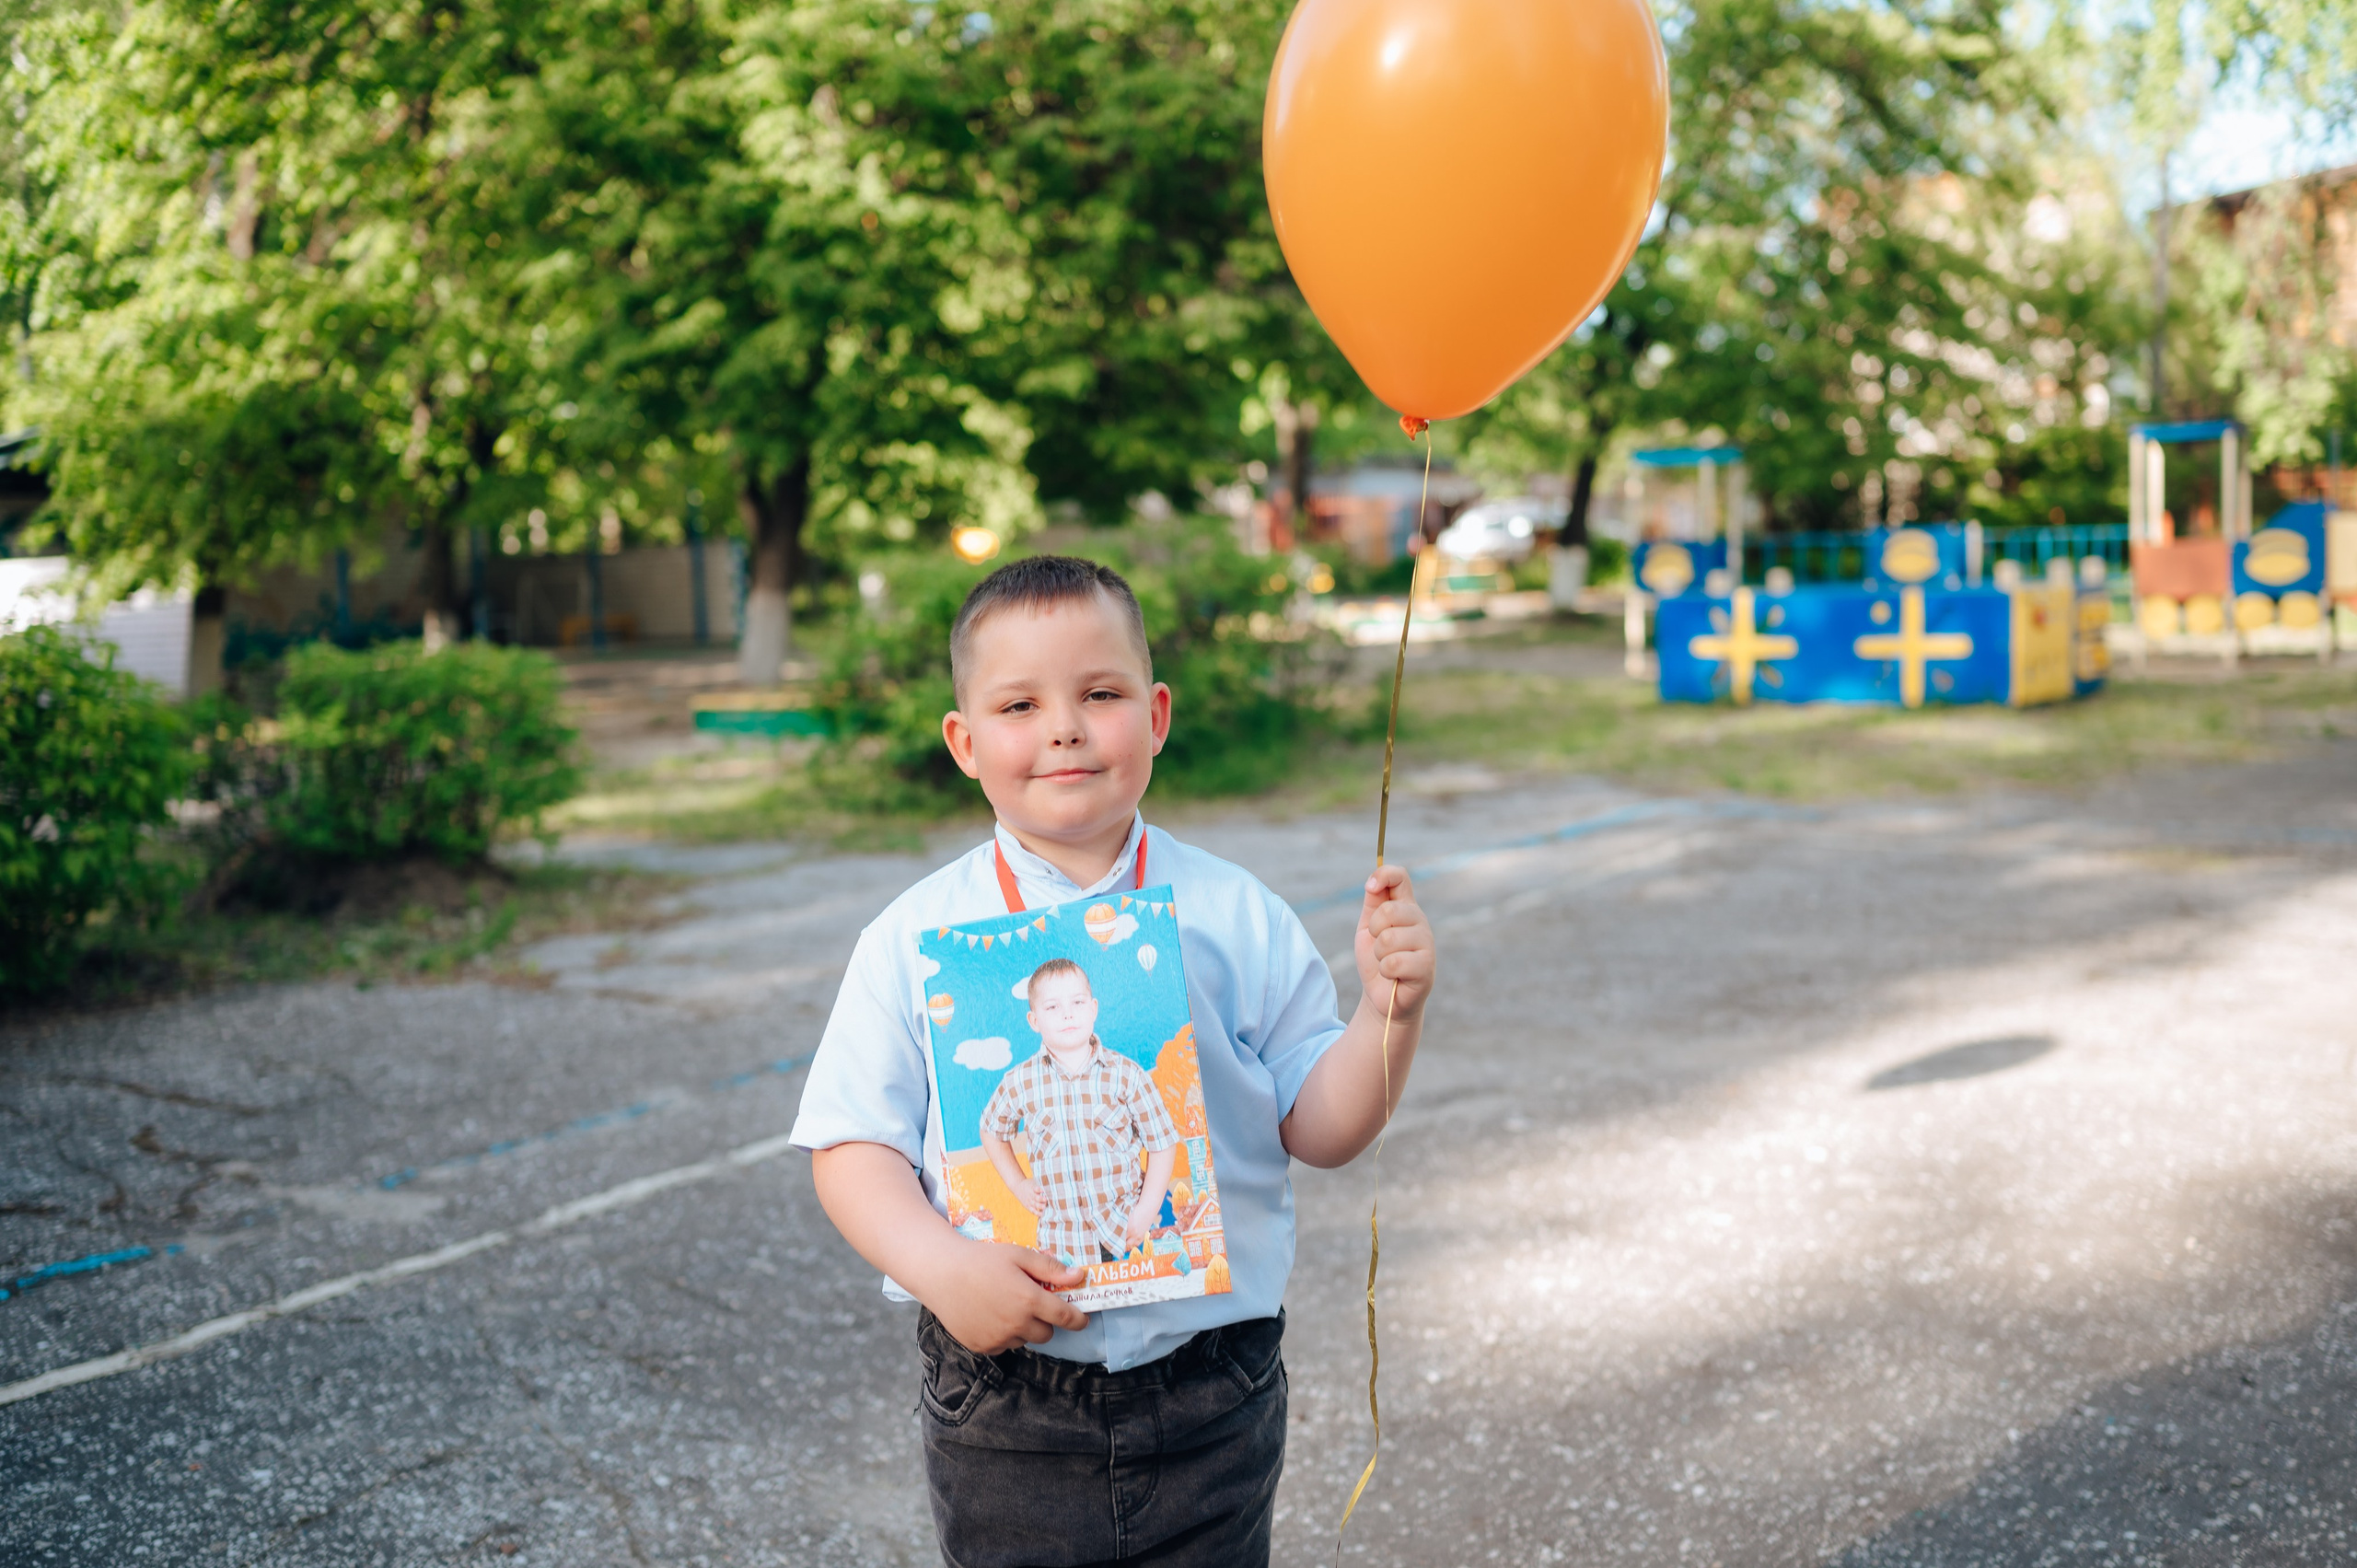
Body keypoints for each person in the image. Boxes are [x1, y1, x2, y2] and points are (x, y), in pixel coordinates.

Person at [791, 554, 1437, 1568]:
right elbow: (850, 1144)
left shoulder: (1236, 912)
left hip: (1209, 1382)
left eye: (1100, 693)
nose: (1064, 726)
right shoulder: (913, 936)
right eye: (1018, 702)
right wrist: (941, 1265)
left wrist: (1386, 1014)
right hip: (1005, 1390)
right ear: (964, 741)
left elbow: (1319, 1125)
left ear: (1157, 713)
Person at [981, 958, 1181, 1266]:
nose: (1067, 1014)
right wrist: (1019, 1185)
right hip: (1062, 1245)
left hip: (1128, 1234)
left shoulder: (1126, 1075)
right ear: (1034, 1021)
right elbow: (991, 1130)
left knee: (1138, 1311)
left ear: (1093, 1008)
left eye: (1077, 1002)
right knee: (1070, 1315)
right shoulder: (1020, 1081)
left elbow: (1163, 1142)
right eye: (1052, 1007)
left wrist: (1146, 1211)